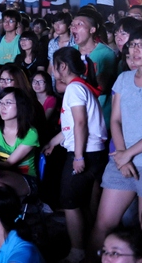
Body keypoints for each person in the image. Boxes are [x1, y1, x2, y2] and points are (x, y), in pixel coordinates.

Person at [91, 27, 142, 256]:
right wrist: (122, 154)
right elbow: (115, 120)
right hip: (120, 162)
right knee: (104, 224)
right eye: (132, 45)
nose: (135, 50)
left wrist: (127, 154)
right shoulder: (123, 79)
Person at [42, 46, 108, 263]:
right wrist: (53, 142)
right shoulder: (81, 86)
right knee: (83, 202)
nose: (52, 71)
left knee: (70, 203)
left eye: (54, 66)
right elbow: (72, 127)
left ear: (62, 67)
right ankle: (88, 247)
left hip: (85, 152)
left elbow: (80, 123)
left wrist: (78, 156)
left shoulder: (74, 88)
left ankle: (77, 252)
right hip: (93, 152)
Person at [0, 87, 40, 199]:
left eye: (8, 103)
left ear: (21, 106)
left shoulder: (31, 133)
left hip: (26, 179)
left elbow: (9, 163)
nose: (2, 107)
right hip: (1, 174)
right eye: (0, 102)